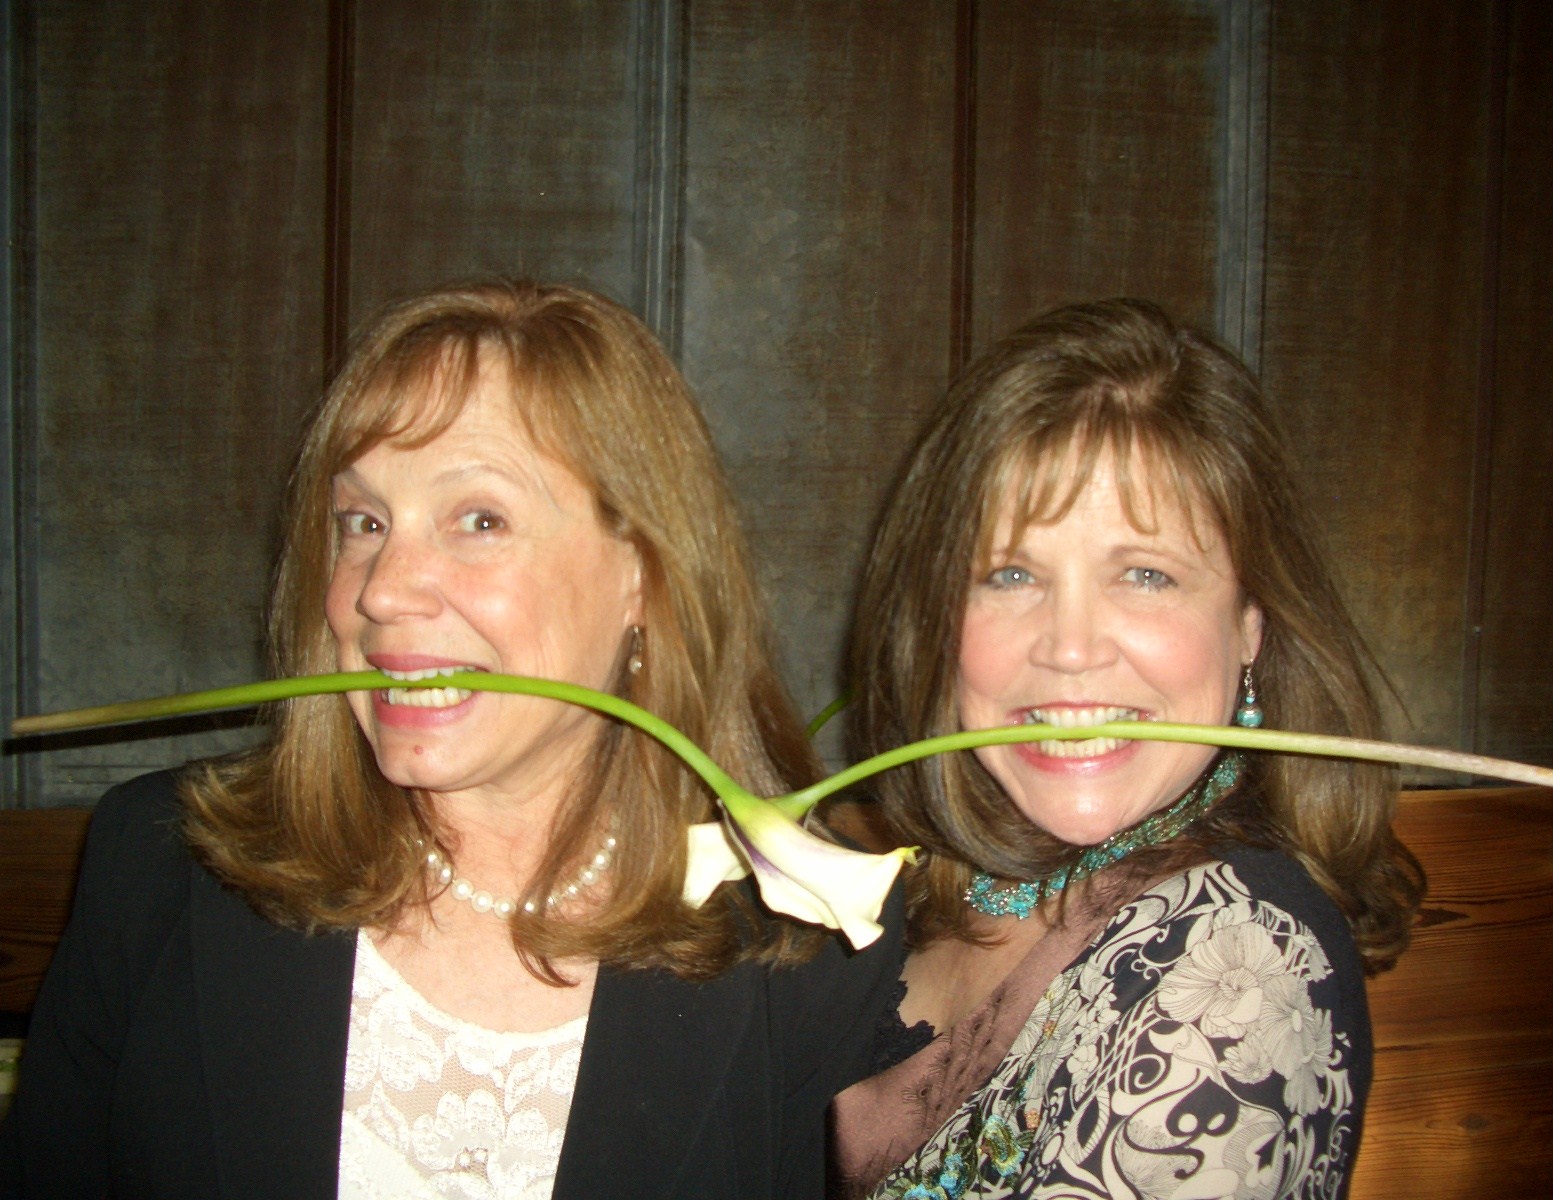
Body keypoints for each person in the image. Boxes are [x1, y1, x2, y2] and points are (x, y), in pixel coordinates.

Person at [1, 280, 903, 1200]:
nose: (383, 590)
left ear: (644, 573)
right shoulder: (159, 867)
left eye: (479, 519)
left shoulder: (805, 950)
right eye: (363, 522)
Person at [830, 299, 1422, 1199]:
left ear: (1251, 625)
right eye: (1012, 574)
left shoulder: (1238, 971)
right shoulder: (920, 887)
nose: (1070, 647)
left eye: (1145, 575)